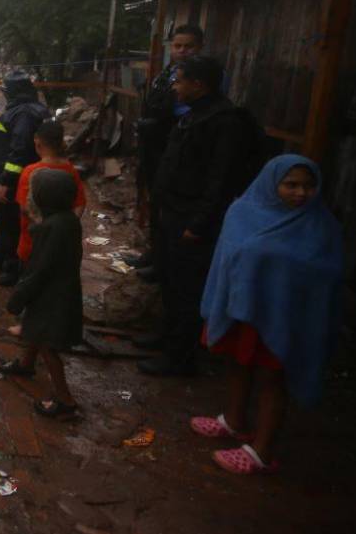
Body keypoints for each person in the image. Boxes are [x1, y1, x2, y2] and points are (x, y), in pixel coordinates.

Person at [193, 155, 343, 474]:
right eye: (291, 185)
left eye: (309, 186)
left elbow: (326, 277)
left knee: (274, 380)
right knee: (237, 364)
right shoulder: (242, 212)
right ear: (271, 183)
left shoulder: (321, 226)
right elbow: (225, 260)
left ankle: (262, 450)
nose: (301, 193)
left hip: (284, 318)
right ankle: (234, 421)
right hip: (242, 312)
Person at [140, 55, 248, 377]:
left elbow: (221, 180)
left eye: (180, 80)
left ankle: (180, 358)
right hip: (172, 211)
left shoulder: (224, 122)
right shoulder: (194, 115)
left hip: (191, 219)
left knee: (188, 288)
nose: (175, 86)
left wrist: (199, 224)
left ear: (198, 84)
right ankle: (165, 336)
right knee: (169, 279)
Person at [0, 169, 84, 417]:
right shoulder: (68, 221)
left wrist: (17, 299)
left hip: (51, 296)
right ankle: (25, 364)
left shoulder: (51, 229)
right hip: (61, 291)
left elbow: (38, 272)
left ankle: (66, 402)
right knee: (36, 330)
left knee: (48, 346)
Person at [132, 25, 205, 281]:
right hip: (156, 147)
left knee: (167, 206)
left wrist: (157, 124)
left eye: (189, 46)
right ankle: (154, 253)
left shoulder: (203, 76)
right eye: (178, 45)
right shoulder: (168, 73)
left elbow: (187, 113)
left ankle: (163, 264)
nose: (182, 51)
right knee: (154, 198)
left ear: (200, 48)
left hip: (175, 148)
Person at [7, 120, 86, 337]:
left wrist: (43, 226)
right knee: (51, 285)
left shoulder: (32, 171)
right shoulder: (70, 170)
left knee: (30, 281)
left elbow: (24, 207)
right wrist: (66, 225)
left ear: (37, 143)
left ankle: (27, 326)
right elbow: (80, 203)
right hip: (62, 243)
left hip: (32, 243)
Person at [0, 71, 50, 287]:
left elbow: (20, 150)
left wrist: (6, 181)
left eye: (6, 91)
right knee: (4, 221)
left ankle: (11, 268)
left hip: (14, 179)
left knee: (12, 224)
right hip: (10, 175)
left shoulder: (25, 113)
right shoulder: (26, 109)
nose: (5, 95)